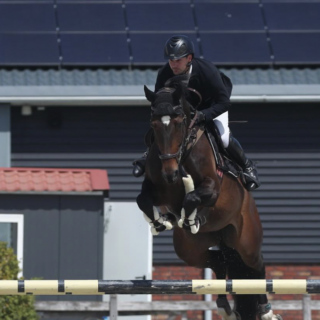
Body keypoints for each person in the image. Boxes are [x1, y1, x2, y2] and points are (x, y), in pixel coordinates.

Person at [132, 35, 260, 191]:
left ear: (189, 58)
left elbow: (224, 103)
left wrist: (204, 115)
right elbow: (161, 103)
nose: (173, 65)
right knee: (165, 128)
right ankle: (147, 156)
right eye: (171, 60)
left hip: (213, 106)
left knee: (224, 137)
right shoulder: (164, 73)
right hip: (185, 110)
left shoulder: (207, 71)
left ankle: (247, 166)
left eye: (178, 60)